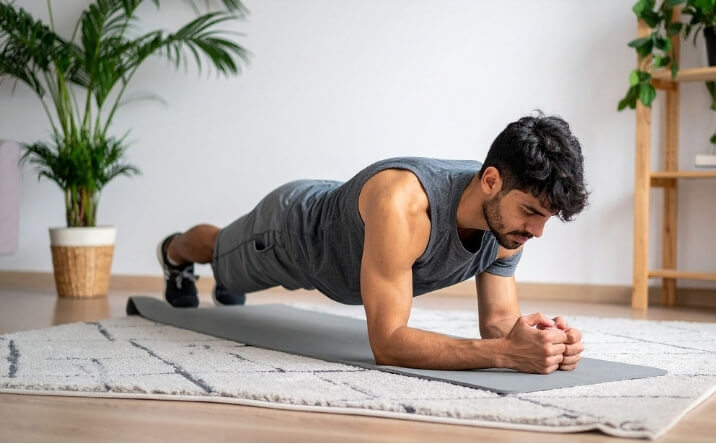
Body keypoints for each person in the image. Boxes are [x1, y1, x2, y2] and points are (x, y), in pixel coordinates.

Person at [157, 111, 589, 374]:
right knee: (221, 254)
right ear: (491, 181)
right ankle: (174, 252)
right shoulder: (404, 206)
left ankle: (227, 280)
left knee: (232, 281)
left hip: (344, 229)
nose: (537, 232)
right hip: (289, 236)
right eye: (531, 212)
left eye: (546, 218)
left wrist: (537, 342)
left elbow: (498, 321)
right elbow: (387, 343)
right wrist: (505, 355)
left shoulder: (509, 226)